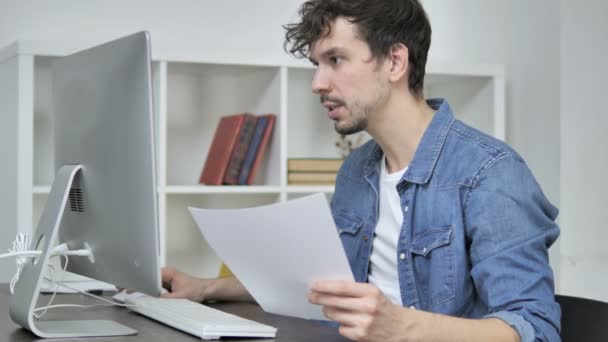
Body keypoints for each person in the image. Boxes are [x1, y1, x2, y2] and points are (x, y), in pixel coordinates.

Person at [162, 1, 561, 341]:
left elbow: (532, 328)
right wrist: (205, 287)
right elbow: (318, 285)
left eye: (335, 59)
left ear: (395, 61)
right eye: (317, 64)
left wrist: (400, 326)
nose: (317, 82)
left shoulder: (491, 173)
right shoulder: (356, 170)